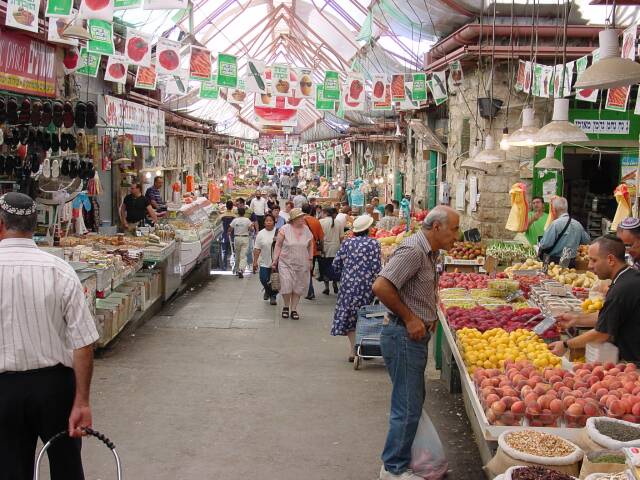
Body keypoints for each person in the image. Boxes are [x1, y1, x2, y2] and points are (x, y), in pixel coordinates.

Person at [0, 192, 99, 480]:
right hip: (55, 389)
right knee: (66, 468)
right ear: (34, 226)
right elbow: (83, 342)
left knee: (9, 469)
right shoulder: (60, 271)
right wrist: (82, 401)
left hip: (4, 390)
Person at [373, 206, 460, 480]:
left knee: (411, 401)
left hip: (411, 337)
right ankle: (393, 469)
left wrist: (425, 315)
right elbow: (381, 286)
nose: (456, 236)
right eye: (454, 229)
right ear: (437, 228)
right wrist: (411, 318)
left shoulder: (429, 253)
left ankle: (399, 460)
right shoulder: (413, 250)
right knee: (407, 405)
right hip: (402, 336)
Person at [550, 235, 640, 363]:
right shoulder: (628, 277)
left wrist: (566, 345)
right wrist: (576, 319)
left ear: (610, 260)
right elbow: (609, 316)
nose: (590, 266)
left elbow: (601, 334)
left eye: (593, 260)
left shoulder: (621, 289)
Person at [331, 215, 381, 360]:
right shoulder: (374, 244)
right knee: (365, 315)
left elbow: (336, 264)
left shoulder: (347, 243)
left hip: (348, 285)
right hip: (366, 286)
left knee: (350, 316)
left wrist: (348, 272)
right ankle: (364, 348)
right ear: (368, 229)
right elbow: (376, 267)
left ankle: (353, 350)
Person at [271, 208, 314, 321]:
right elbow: (278, 245)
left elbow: (310, 244)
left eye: (302, 217)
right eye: (300, 217)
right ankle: (286, 306)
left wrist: (310, 259)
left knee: (298, 286)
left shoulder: (306, 229)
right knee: (286, 285)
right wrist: (275, 259)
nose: (302, 219)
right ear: (294, 219)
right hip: (286, 262)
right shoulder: (284, 229)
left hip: (302, 262)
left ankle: (294, 309)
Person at [538, 196, 590, 266]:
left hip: (553, 261)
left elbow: (545, 244)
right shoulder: (577, 224)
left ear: (554, 210)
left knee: (552, 276)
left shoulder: (555, 224)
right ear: (566, 208)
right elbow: (586, 240)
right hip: (570, 261)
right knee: (566, 276)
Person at [253, 214, 278, 305]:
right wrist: (255, 262)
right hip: (264, 261)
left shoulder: (279, 232)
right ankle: (268, 291)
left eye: (270, 220)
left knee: (275, 280)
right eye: (266, 221)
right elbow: (257, 249)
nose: (268, 222)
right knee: (263, 279)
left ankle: (273, 297)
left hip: (276, 262)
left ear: (274, 222)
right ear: (264, 222)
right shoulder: (260, 233)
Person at [302, 203, 324, 300]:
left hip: (302, 250)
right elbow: (321, 238)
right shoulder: (316, 221)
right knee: (309, 270)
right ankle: (309, 290)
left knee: (305, 271)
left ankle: (310, 291)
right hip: (314, 250)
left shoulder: (300, 221)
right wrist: (322, 249)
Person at [319, 207, 343, 295]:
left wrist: (321, 248)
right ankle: (335, 283)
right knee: (335, 267)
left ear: (325, 213)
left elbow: (320, 238)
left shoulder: (321, 222)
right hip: (336, 248)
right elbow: (341, 238)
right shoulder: (338, 222)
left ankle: (326, 287)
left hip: (325, 248)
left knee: (325, 268)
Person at [229, 207, 254, 279]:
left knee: (237, 254)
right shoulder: (247, 220)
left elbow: (230, 229)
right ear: (244, 213)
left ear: (238, 213)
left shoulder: (235, 220)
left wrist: (229, 232)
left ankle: (237, 270)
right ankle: (241, 269)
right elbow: (252, 230)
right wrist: (251, 227)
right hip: (245, 238)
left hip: (236, 238)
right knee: (243, 255)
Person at [220, 200, 236, 270]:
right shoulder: (235, 216)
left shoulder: (222, 216)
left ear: (226, 206)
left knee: (224, 251)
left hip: (224, 235)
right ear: (232, 207)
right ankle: (234, 265)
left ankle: (224, 267)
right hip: (233, 236)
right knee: (234, 251)